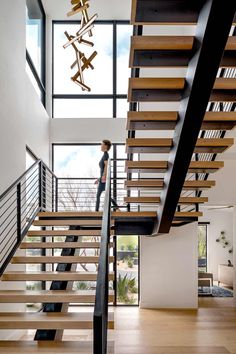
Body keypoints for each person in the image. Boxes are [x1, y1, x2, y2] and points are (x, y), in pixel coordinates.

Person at [95, 140, 119, 212]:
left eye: (102, 144)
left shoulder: (106, 154)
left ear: (105, 146)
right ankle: (117, 207)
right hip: (102, 179)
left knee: (100, 195)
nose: (101, 146)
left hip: (104, 179)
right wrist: (99, 179)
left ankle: (96, 211)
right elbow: (103, 169)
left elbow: (106, 166)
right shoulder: (104, 155)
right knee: (103, 195)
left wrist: (104, 176)